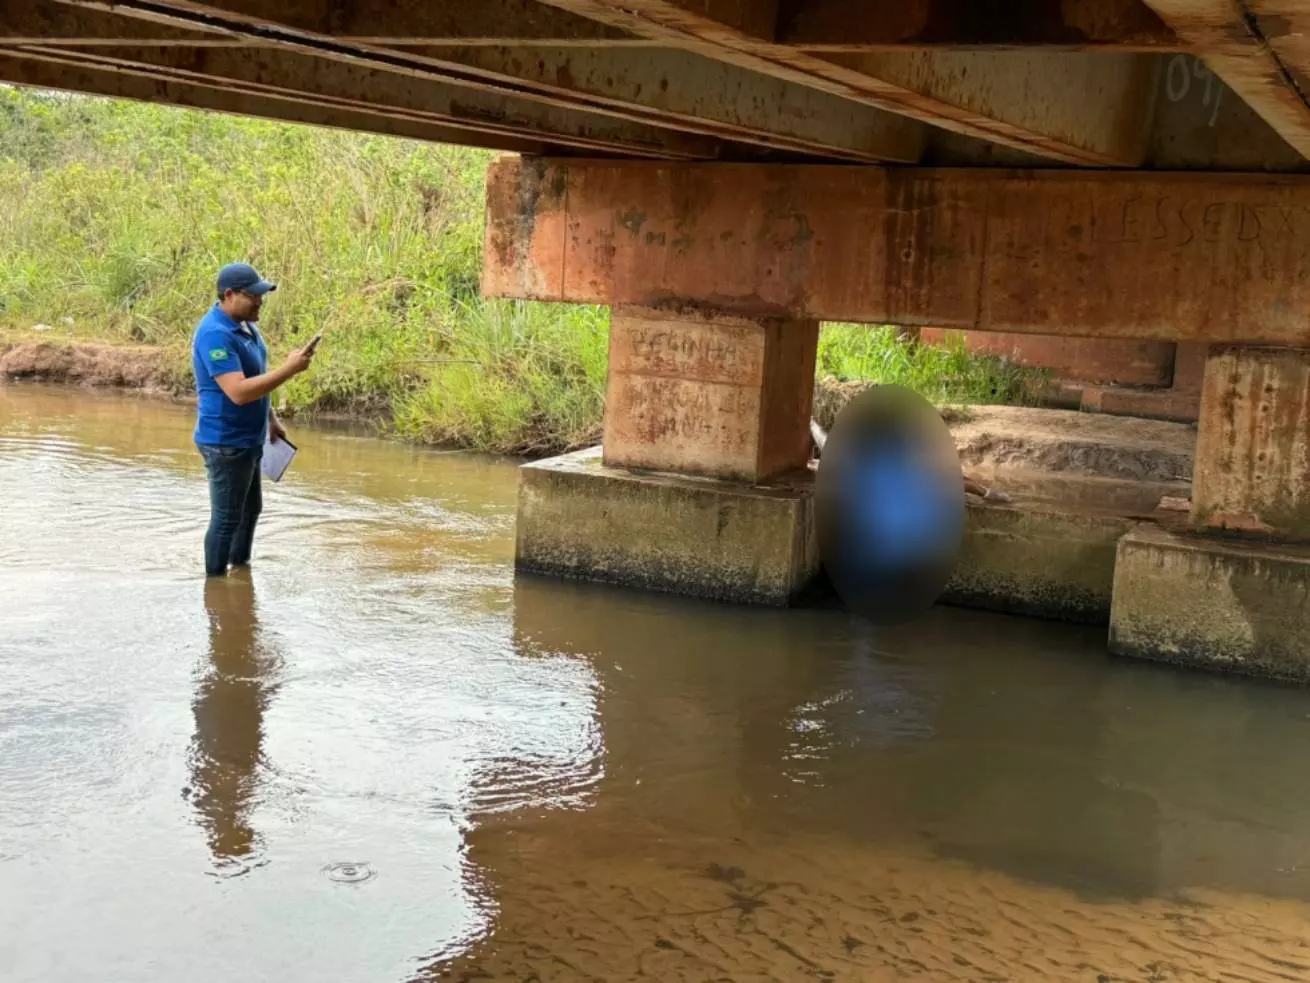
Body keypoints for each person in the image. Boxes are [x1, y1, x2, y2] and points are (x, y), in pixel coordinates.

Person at [192, 263, 315, 577]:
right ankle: (216, 587)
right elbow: (238, 392)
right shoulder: (214, 335)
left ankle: (240, 571)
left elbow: (255, 377)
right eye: (254, 295)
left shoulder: (245, 326)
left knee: (249, 511)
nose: (260, 301)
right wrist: (289, 369)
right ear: (230, 295)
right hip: (225, 443)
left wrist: (270, 417)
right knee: (226, 519)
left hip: (250, 438)